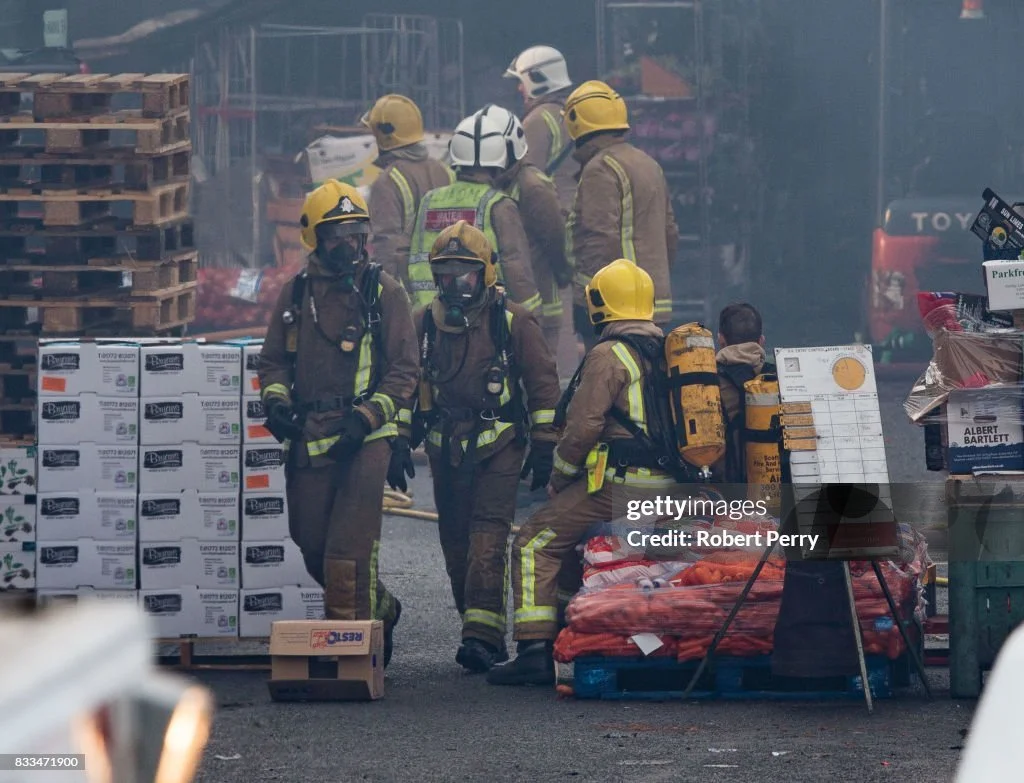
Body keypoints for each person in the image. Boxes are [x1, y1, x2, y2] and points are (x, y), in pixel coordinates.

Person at [488, 259, 679, 686]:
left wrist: (559, 476)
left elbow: (582, 427)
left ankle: (534, 649)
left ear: (599, 305)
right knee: (571, 541)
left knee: (534, 541)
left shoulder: (609, 355)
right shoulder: (670, 351)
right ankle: (568, 629)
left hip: (624, 487)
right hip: (669, 487)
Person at [258, 179, 419, 668]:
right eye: (336, 235)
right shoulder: (296, 294)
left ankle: (351, 658)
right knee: (312, 545)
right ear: (315, 238)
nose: (349, 243)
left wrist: (368, 419)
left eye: (355, 232)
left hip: (365, 437)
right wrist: (277, 403)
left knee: (348, 550)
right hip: (311, 436)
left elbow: (404, 370)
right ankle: (383, 609)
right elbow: (273, 362)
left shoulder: (384, 292)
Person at [406, 220, 561, 673]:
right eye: (446, 276)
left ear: (486, 274)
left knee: (487, 537)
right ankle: (477, 625)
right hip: (445, 449)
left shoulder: (513, 320)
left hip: (500, 446)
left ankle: (482, 638)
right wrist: (398, 437)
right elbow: (404, 383)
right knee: (455, 543)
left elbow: (543, 385)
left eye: (465, 275)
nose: (455, 286)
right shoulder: (424, 324)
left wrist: (545, 445)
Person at [563, 80, 679, 352]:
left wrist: (590, 302)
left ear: (576, 123)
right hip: (650, 302)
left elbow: (599, 239)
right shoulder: (648, 164)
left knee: (610, 373)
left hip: (616, 308)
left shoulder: (600, 169)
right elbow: (670, 233)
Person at [406, 113, 543, 317]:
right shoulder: (500, 206)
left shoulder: (428, 201)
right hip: (482, 320)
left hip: (427, 318)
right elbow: (517, 271)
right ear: (500, 161)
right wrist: (531, 318)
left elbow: (401, 255)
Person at [476, 103, 572, 358]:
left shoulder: (532, 186)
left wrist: (563, 272)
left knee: (539, 374)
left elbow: (555, 238)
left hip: (539, 306)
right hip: (499, 305)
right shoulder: (493, 184)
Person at [360, 94, 455, 289]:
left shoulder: (387, 182)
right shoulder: (445, 172)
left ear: (383, 136)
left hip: (412, 291)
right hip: (452, 284)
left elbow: (387, 245)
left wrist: (388, 295)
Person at [504, 45, 577, 216]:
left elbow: (526, 180)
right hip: (576, 208)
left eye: (521, 81)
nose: (519, 88)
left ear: (536, 78)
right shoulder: (574, 110)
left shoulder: (537, 120)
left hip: (553, 212)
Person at [715, 302, 774, 482]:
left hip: (723, 486)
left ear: (721, 339)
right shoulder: (778, 378)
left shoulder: (707, 382)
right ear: (761, 341)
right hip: (774, 483)